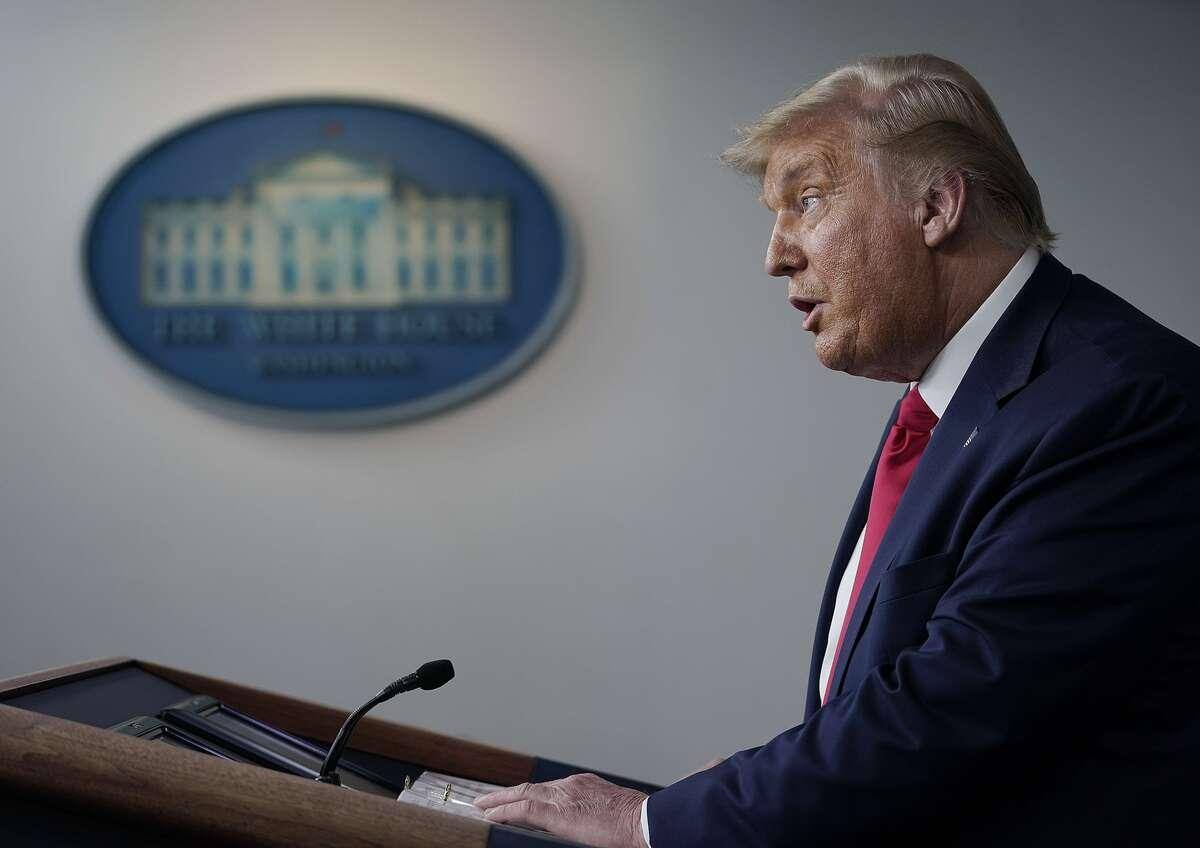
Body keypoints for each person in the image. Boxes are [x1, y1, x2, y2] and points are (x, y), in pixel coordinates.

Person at [474, 54, 1200, 846]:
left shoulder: (1124, 402)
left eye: (808, 200)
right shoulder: (953, 400)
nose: (776, 254)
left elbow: (947, 712)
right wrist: (750, 790)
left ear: (935, 207)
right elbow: (899, 703)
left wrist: (650, 822)